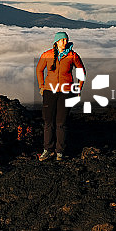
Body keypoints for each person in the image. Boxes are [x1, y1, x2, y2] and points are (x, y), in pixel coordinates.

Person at [36, 31, 84, 161]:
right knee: (48, 121)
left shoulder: (73, 55)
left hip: (66, 92)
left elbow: (81, 72)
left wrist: (78, 88)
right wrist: (41, 86)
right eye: (62, 40)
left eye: (66, 40)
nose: (65, 42)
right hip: (49, 91)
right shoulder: (47, 55)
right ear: (56, 42)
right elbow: (39, 69)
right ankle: (47, 150)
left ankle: (60, 152)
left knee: (61, 122)